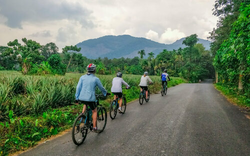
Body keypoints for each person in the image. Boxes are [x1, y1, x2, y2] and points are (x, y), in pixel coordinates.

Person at [75, 63, 108, 133]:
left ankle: (82, 115)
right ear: (94, 70)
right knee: (94, 111)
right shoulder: (96, 79)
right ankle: (94, 127)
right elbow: (101, 88)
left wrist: (76, 97)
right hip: (90, 98)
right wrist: (105, 93)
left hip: (81, 97)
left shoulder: (82, 77)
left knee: (85, 103)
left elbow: (78, 87)